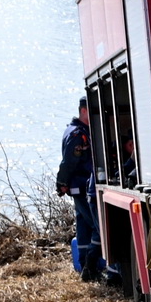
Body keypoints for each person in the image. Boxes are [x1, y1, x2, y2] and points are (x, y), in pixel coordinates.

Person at [57, 98, 101, 282]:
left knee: (83, 226)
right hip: (82, 187)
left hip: (80, 188)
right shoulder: (78, 134)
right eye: (92, 110)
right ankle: (90, 264)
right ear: (83, 111)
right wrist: (62, 182)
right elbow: (69, 162)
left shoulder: (77, 131)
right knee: (98, 226)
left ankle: (84, 267)